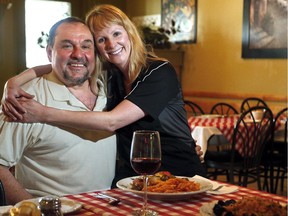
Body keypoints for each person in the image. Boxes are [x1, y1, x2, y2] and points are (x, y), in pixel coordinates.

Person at [2, 4, 206, 187]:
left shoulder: (159, 71)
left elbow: (112, 122)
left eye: (117, 34)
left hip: (180, 178)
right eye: (101, 39)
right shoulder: (110, 77)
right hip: (133, 183)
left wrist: (43, 113)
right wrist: (13, 83)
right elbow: (64, 62)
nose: (111, 44)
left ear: (129, 33)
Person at [0, 17, 117, 205]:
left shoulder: (109, 90)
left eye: (86, 46)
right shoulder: (25, 99)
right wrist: (35, 207)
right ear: (49, 52)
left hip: (107, 207)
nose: (78, 54)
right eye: (67, 46)